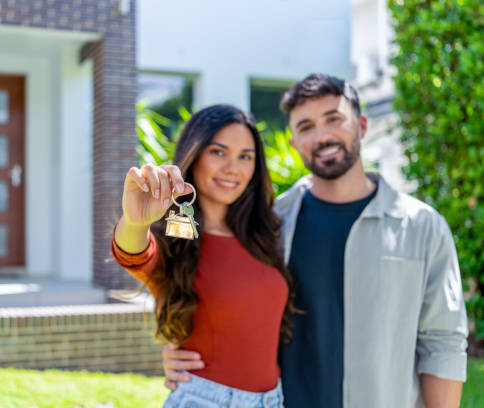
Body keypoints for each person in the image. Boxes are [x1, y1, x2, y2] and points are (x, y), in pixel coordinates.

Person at [161, 74, 468, 408]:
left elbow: (443, 343)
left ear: (362, 126)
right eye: (305, 126)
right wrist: (180, 348)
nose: (322, 136)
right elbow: (215, 294)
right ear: (294, 142)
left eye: (334, 119)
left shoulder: (423, 227)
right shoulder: (268, 224)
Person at [111, 104, 296, 407]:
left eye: (245, 156)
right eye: (218, 152)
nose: (233, 168)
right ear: (194, 154)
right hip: (206, 399)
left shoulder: (264, 235)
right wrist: (135, 222)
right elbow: (133, 253)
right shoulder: (174, 239)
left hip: (272, 400)